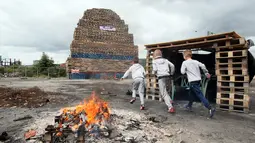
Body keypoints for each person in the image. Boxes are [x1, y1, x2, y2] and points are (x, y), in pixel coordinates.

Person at [181, 49, 215, 118]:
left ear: (185, 56)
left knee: (200, 95)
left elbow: (182, 72)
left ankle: (210, 108)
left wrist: (186, 70)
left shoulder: (185, 63)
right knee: (191, 93)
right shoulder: (195, 61)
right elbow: (202, 65)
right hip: (197, 80)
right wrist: (206, 72)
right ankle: (189, 105)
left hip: (192, 81)